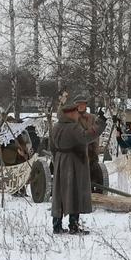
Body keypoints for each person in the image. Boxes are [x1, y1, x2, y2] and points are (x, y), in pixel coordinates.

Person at [48, 100, 97, 234]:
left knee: (59, 194)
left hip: (60, 160)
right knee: (74, 192)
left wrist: (58, 158)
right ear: (69, 114)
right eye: (75, 112)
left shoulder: (56, 126)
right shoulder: (73, 127)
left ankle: (56, 226)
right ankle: (74, 226)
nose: (77, 114)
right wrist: (101, 124)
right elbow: (87, 137)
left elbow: (51, 147)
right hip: (73, 163)